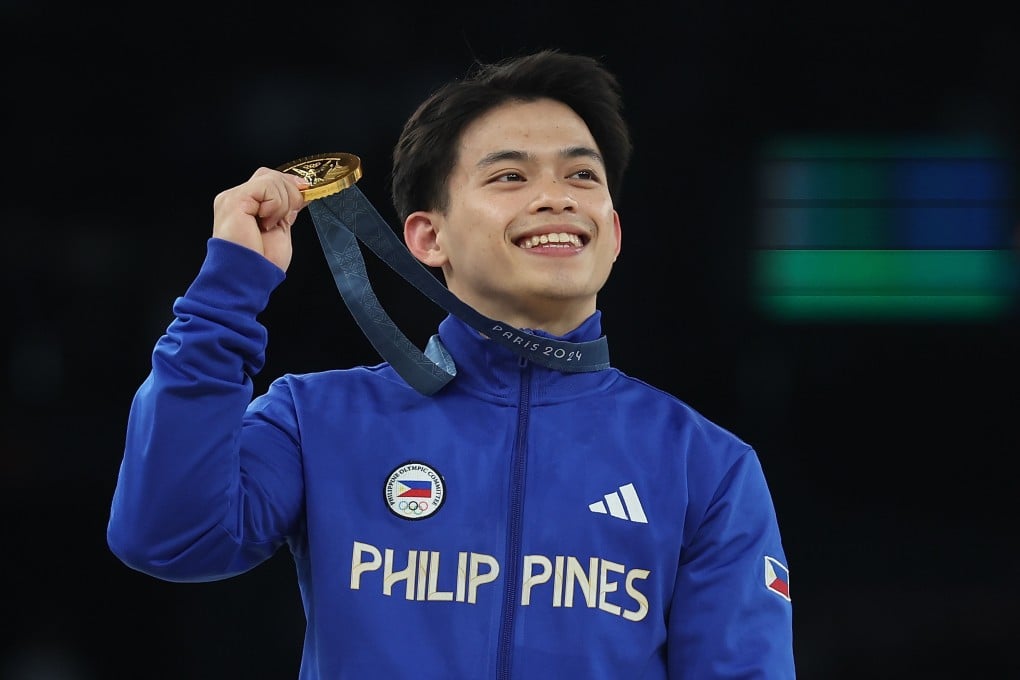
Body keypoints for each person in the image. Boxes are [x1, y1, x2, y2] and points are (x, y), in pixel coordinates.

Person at [107, 48, 795, 678]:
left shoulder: (705, 466)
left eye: (582, 175)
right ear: (428, 238)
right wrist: (228, 290)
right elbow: (170, 537)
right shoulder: (316, 420)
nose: (557, 196)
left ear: (612, 233)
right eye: (510, 175)